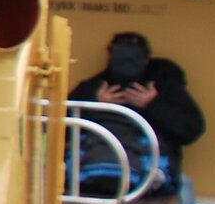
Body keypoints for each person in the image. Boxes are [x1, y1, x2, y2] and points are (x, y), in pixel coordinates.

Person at [69, 31, 203, 191]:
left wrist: (152, 105)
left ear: (146, 61)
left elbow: (190, 130)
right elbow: (57, 128)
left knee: (185, 195)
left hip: (153, 184)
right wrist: (95, 104)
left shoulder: (163, 86)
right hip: (92, 179)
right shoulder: (93, 88)